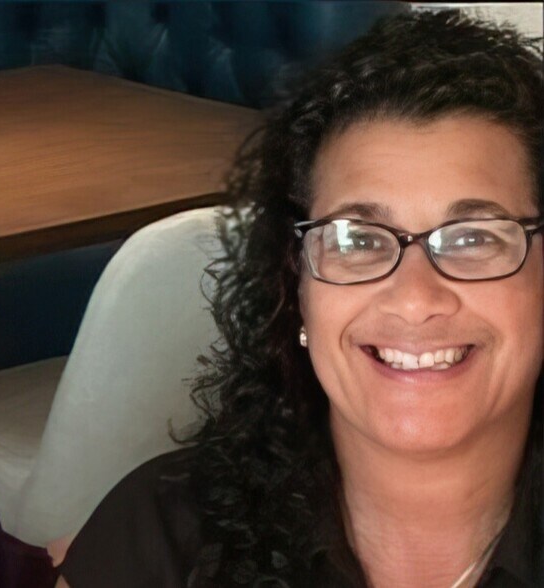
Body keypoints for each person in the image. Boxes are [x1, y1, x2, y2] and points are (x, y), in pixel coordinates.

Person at [56, 8, 543, 587]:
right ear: (296, 288)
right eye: (357, 240)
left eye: (473, 238)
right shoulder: (161, 537)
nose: (415, 299)